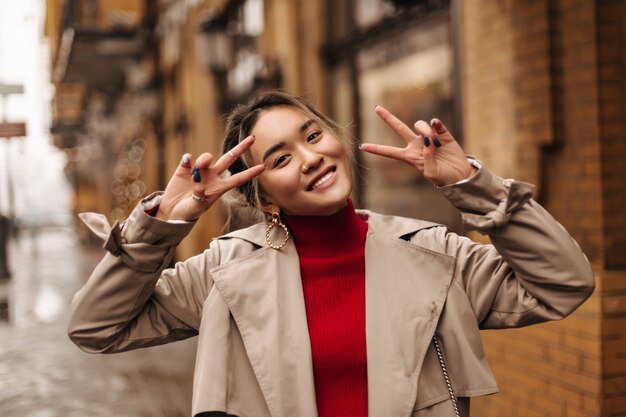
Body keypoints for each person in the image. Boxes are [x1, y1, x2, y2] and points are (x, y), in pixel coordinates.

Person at [69, 91, 594, 417]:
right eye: (280, 157)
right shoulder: (223, 274)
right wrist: (160, 227)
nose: (311, 157)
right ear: (265, 196)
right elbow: (97, 328)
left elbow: (563, 284)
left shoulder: (433, 254)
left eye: (313, 134)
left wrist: (477, 189)